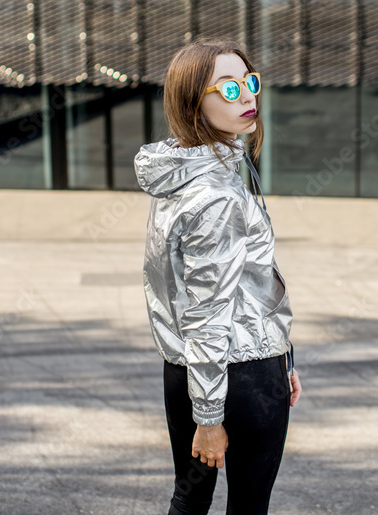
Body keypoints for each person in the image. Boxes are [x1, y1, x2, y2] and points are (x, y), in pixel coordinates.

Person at [134, 38, 303, 515]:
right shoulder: (217, 195)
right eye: (229, 89)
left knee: (189, 499)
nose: (248, 97)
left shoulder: (182, 173)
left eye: (250, 83)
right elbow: (207, 312)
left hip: (186, 371)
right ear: (193, 102)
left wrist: (285, 357)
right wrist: (210, 416)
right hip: (237, 375)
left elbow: (249, 285)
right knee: (246, 508)